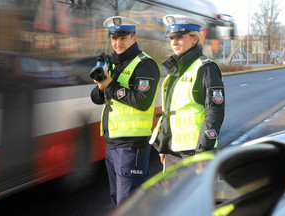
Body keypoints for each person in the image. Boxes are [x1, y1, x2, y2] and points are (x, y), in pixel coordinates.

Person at [90, 16, 160, 206]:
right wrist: (101, 85)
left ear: (134, 38)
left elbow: (142, 101)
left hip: (132, 144)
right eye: (114, 38)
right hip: (112, 143)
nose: (117, 43)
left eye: (123, 38)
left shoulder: (145, 64)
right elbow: (97, 98)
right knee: (117, 201)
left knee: (128, 204)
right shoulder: (112, 63)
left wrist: (110, 86)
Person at [149, 14, 225, 168]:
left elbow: (215, 112)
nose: (174, 42)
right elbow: (169, 111)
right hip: (172, 151)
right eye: (171, 38)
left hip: (196, 152)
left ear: (194, 39)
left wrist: (204, 149)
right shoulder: (177, 69)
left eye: (179, 37)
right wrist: (164, 144)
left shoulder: (206, 68)